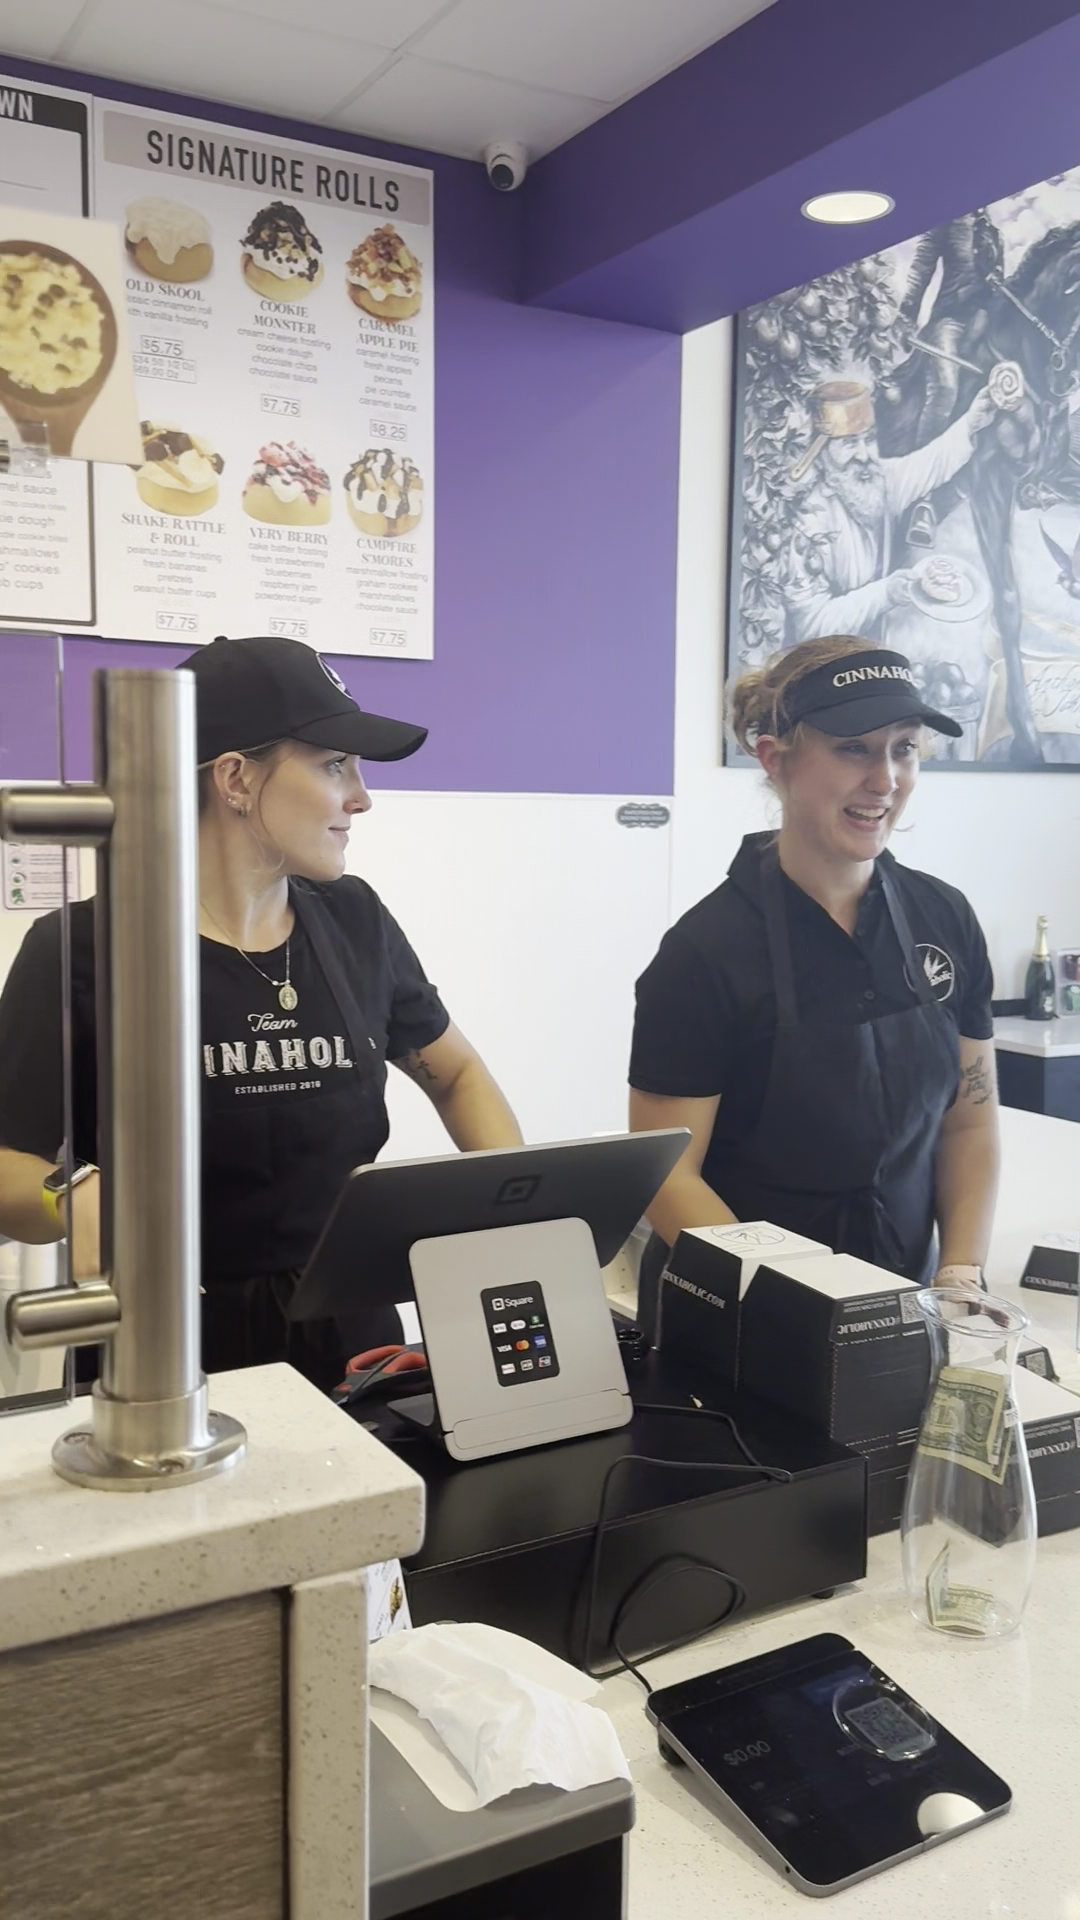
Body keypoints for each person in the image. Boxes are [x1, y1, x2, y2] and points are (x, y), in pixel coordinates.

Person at [0, 635, 522, 1389]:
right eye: (334, 765)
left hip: (355, 1341)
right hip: (166, 1350)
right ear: (236, 779)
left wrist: (513, 1214)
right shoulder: (82, 949)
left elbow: (457, 1072)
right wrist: (71, 1194)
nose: (361, 798)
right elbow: (7, 1167)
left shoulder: (355, 919)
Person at [628, 635, 999, 1346]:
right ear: (775, 759)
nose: (885, 780)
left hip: (904, 1302)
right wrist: (796, 1304)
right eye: (854, 749)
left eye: (904, 748)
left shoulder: (944, 917)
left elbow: (968, 1122)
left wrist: (959, 1275)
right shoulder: (704, 953)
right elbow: (667, 1177)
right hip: (743, 1318)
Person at [783, 377, 1000, 643]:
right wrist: (884, 594)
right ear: (822, 454)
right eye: (849, 443)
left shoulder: (877, 481)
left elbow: (932, 463)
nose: (864, 455)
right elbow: (811, 628)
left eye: (869, 439)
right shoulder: (810, 524)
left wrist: (972, 422)